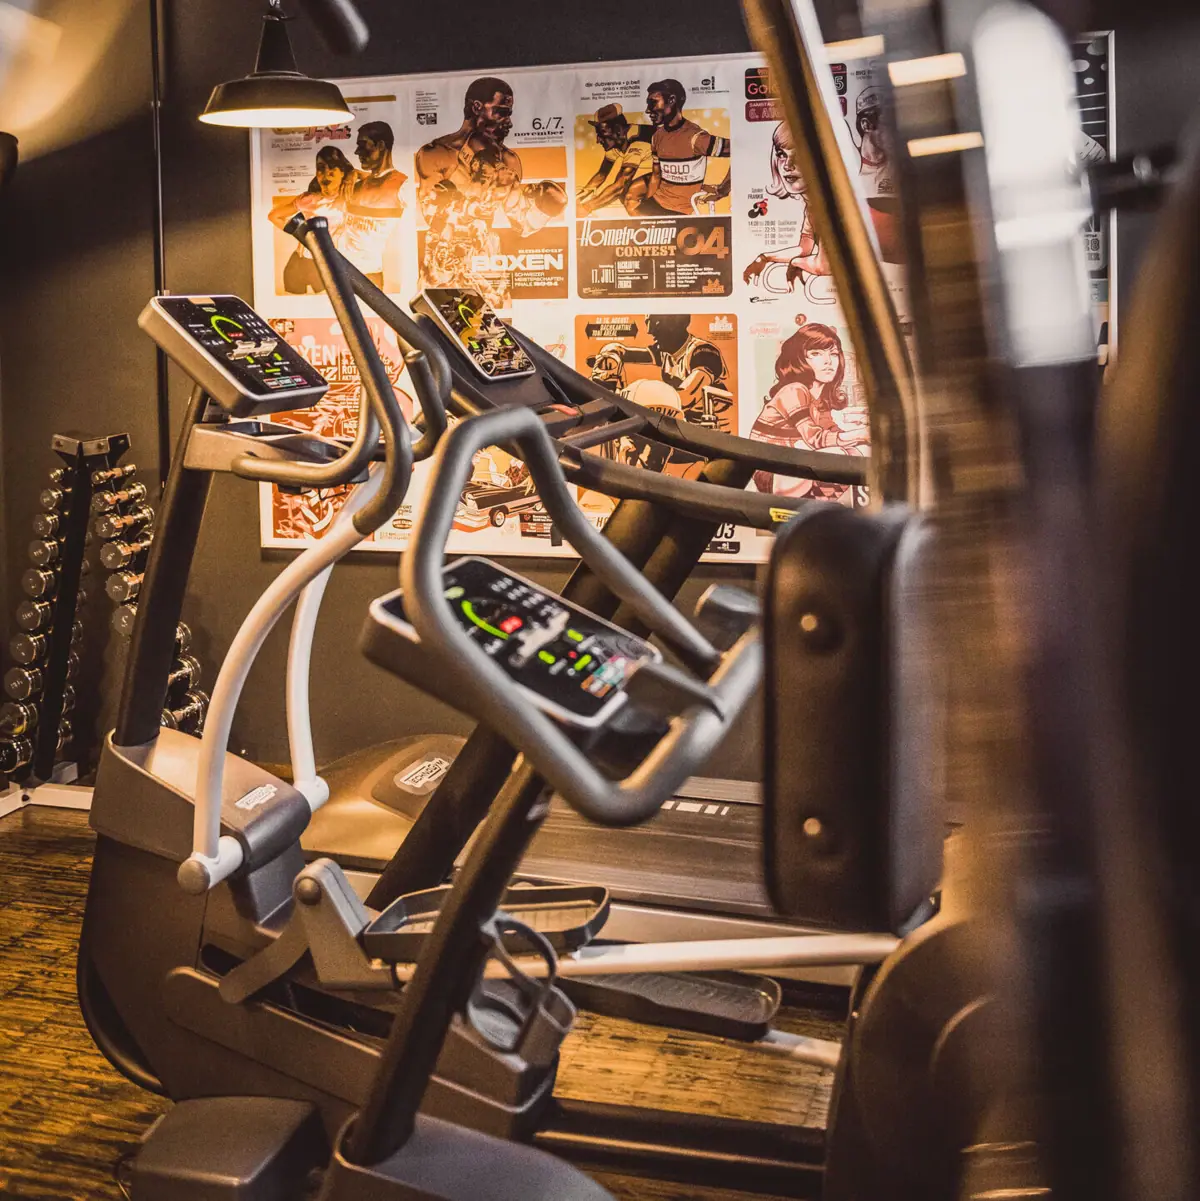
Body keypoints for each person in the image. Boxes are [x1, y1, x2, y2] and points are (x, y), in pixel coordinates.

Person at [750, 318, 869, 501]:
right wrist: (862, 434)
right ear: (799, 359)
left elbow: (832, 434)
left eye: (834, 354)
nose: (828, 361)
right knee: (840, 456)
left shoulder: (820, 400)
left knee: (853, 454)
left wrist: (859, 438)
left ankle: (815, 507)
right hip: (772, 473)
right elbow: (816, 439)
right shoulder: (793, 390)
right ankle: (811, 507)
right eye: (816, 353)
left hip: (796, 467)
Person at [588, 314, 731, 430]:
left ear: (677, 323)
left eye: (656, 322)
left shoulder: (704, 352)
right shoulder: (666, 350)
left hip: (715, 432)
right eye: (647, 322)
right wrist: (611, 352)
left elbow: (687, 397)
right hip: (682, 424)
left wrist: (627, 398)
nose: (650, 331)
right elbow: (626, 352)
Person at [742, 122, 830, 298]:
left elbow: (823, 266)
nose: (788, 165)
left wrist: (797, 263)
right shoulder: (813, 208)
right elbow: (805, 248)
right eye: (782, 155)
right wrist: (765, 257)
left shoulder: (828, 207)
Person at [268, 144, 357, 294]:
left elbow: (378, 180)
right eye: (321, 168)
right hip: (299, 264)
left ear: (342, 172)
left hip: (327, 265)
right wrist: (301, 235)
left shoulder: (351, 196)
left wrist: (354, 174)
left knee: (330, 309)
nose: (325, 174)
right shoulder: (309, 199)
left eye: (332, 169)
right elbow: (274, 216)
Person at [641, 79, 731, 216]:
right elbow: (656, 175)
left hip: (681, 213)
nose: (648, 110)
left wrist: (724, 189)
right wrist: (647, 202)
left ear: (672, 100)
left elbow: (740, 150)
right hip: (656, 204)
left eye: (653, 102)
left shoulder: (696, 138)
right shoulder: (657, 137)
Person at [341, 121, 407, 287]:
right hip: (340, 271)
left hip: (369, 276)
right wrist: (353, 172)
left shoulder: (402, 185)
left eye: (363, 146)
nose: (357, 152)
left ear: (381, 145)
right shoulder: (356, 184)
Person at [576, 103, 653, 215]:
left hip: (676, 178)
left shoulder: (637, 142)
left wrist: (587, 207)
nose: (598, 140)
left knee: (628, 193)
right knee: (620, 190)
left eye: (602, 133)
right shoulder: (617, 140)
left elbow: (620, 186)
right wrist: (578, 197)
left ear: (618, 129)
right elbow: (602, 174)